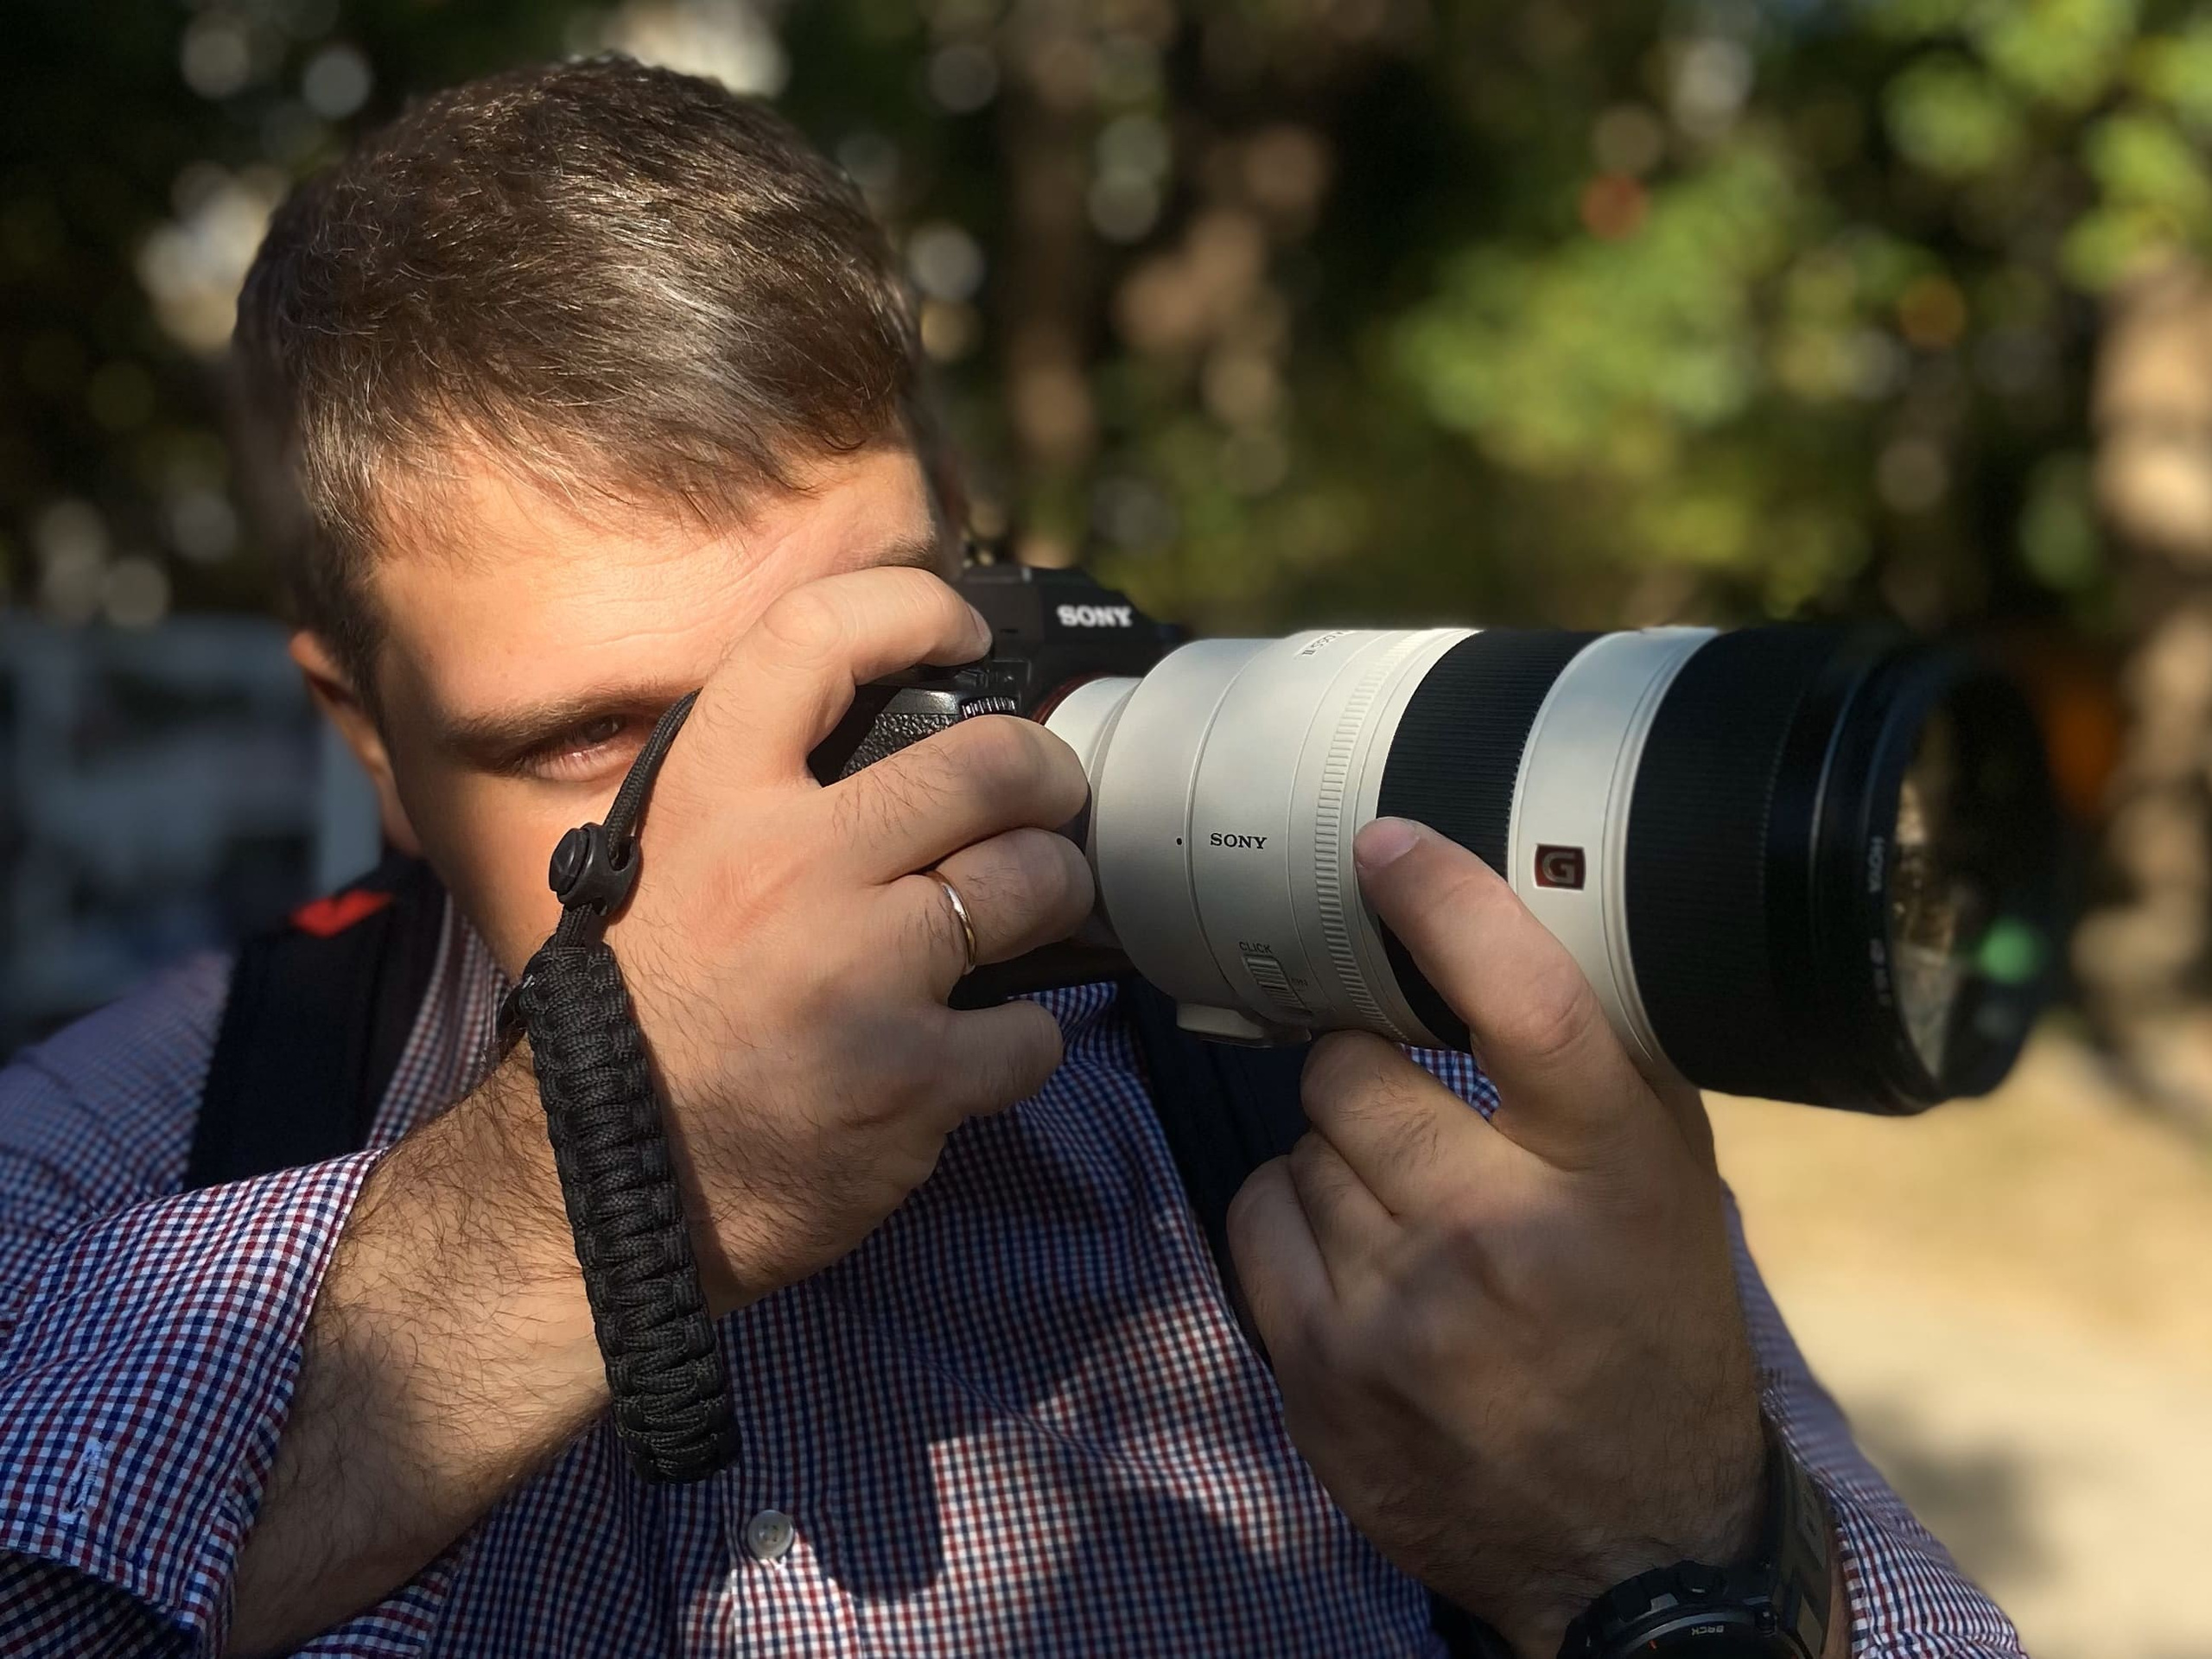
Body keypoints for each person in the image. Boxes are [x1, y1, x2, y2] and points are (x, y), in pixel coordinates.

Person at [0, 59, 2022, 1659]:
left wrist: (1681, 1550)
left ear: (976, 543)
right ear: (362, 730)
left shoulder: (1374, 1063)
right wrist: (600, 1174)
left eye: (867, 667)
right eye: (598, 743)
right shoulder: (136, 1147)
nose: (771, 829)